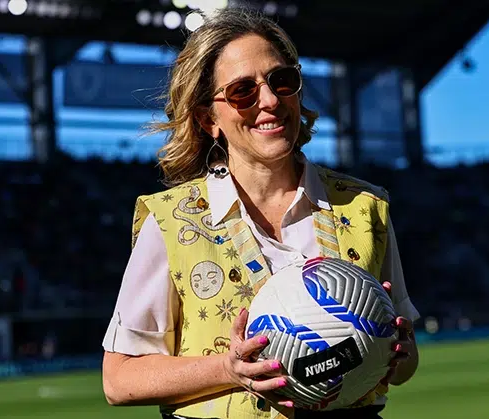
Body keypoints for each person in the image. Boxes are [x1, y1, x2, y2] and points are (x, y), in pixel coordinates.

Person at [101, 7, 420, 419]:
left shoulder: (365, 207)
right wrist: (228, 369)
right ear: (208, 118)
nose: (269, 101)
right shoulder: (170, 222)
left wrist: (399, 353)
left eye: (281, 80)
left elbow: (402, 368)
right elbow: (119, 379)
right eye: (242, 91)